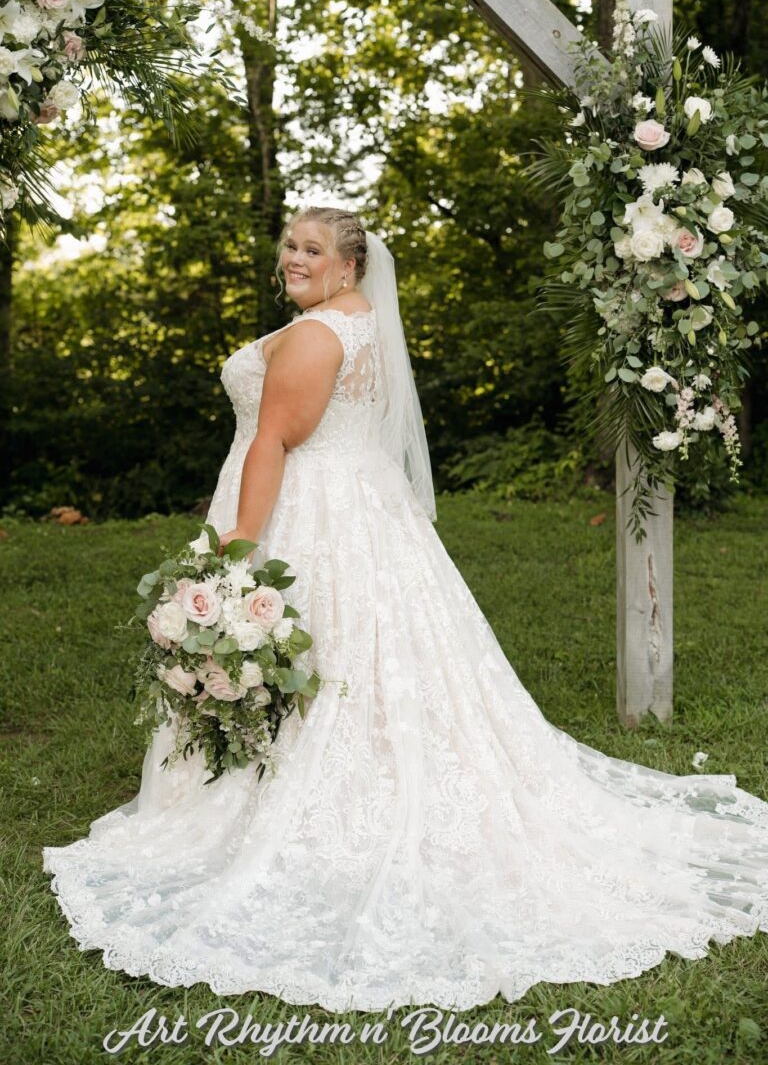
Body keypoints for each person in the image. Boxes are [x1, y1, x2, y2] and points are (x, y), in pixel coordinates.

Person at [43, 207, 768, 1013]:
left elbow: (275, 440)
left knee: (322, 656)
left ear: (349, 266)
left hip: (303, 512)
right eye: (289, 244)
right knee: (376, 659)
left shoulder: (320, 334)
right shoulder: (356, 324)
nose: (293, 257)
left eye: (312, 249)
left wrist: (238, 557)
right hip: (361, 511)